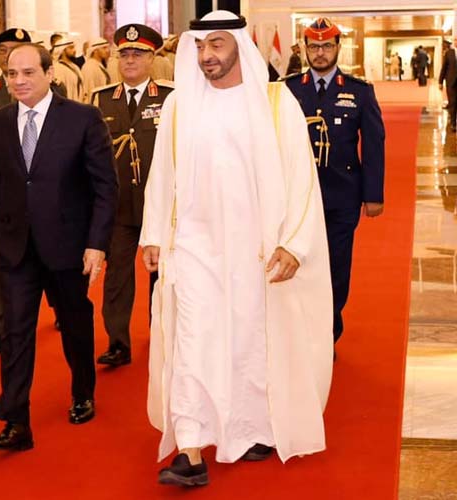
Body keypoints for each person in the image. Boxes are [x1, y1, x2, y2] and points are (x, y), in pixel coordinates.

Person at [142, 11, 333, 487]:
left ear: (239, 46)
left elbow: (302, 178)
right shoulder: (179, 106)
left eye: (217, 45)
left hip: (255, 251)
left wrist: (294, 244)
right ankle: (190, 447)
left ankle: (249, 429)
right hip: (193, 248)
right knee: (191, 340)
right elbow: (161, 176)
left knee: (248, 342)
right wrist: (153, 235)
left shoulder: (275, 103)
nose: (207, 55)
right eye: (200, 46)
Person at [0, 43, 118, 450]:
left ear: (49, 74)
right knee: (16, 331)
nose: (18, 81)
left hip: (67, 245)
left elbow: (105, 187)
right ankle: (16, 420)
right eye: (12, 74)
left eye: (28, 73)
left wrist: (96, 244)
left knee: (74, 322)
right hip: (14, 247)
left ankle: (83, 391)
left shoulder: (82, 118)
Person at [285, 17, 385, 346]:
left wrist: (373, 195)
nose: (320, 53)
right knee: (299, 263)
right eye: (314, 46)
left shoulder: (358, 91)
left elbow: (373, 145)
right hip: (297, 197)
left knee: (336, 267)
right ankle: (299, 329)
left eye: (327, 46)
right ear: (304, 48)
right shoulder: (288, 89)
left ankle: (327, 334)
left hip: (341, 195)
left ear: (338, 47)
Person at [91, 24, 173, 367]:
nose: (129, 60)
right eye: (124, 54)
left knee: (163, 274)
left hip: (160, 203)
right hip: (119, 203)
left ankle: (163, 334)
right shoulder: (101, 99)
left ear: (152, 58)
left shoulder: (170, 97)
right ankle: (118, 342)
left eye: (137, 54)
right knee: (118, 277)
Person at [439, 40, 457, 131]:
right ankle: (453, 124)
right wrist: (440, 81)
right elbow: (444, 68)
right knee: (452, 102)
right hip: (451, 82)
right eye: (456, 40)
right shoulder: (449, 53)